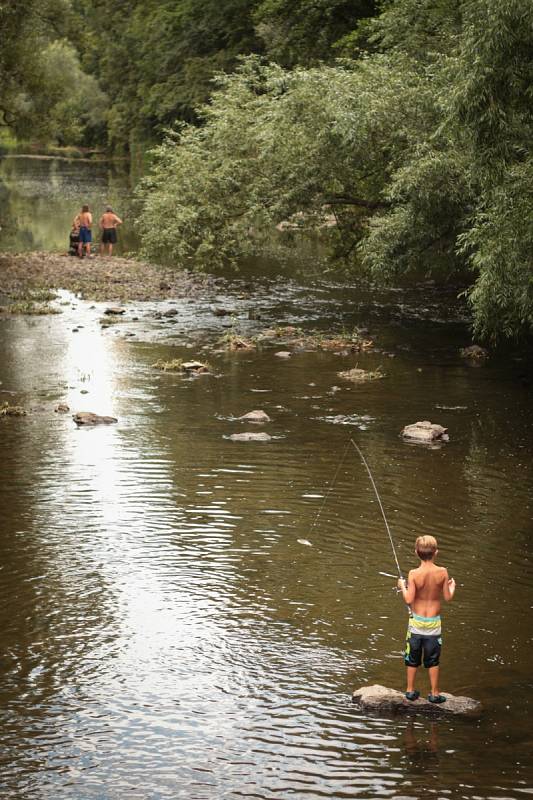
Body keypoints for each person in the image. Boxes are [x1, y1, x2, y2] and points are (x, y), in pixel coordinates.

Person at [397, 535, 456, 704]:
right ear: (436, 553)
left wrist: (402, 585)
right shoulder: (443, 572)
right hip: (433, 624)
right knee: (433, 659)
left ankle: (409, 691)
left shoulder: (414, 574)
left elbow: (409, 599)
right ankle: (435, 693)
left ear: (416, 553)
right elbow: (447, 597)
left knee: (412, 656)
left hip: (416, 622)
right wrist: (452, 587)